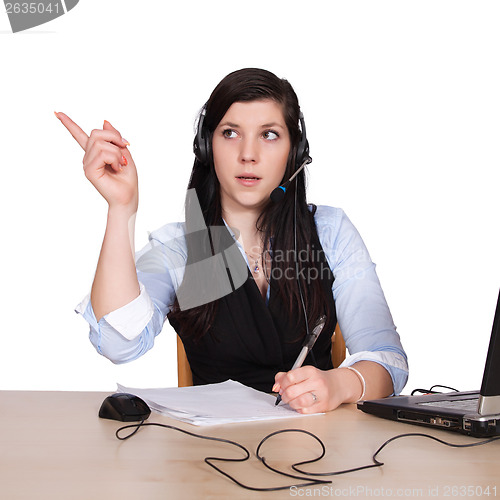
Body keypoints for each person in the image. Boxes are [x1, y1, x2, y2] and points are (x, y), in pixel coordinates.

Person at [56, 68, 408, 414]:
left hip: (316, 445)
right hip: (211, 455)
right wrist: (121, 209)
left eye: (269, 134)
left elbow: (388, 360)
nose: (248, 154)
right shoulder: (180, 247)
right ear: (207, 147)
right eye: (230, 133)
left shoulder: (329, 232)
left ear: (295, 152)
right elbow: (119, 343)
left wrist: (339, 384)